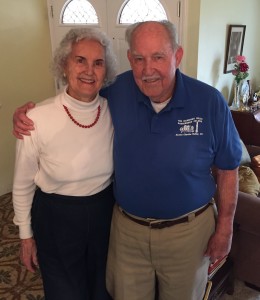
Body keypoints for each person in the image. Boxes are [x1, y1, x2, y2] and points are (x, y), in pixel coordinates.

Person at [13, 20, 242, 300]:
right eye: (138, 59)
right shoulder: (118, 91)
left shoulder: (209, 102)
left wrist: (225, 229)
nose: (147, 70)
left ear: (177, 56)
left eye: (158, 57)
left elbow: (229, 170)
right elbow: (80, 97)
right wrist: (27, 114)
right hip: (126, 233)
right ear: (130, 59)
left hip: (189, 234)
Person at [12, 27, 117, 300]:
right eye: (80, 60)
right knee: (64, 293)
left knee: (101, 288)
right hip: (56, 217)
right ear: (63, 64)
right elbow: (22, 184)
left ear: (106, 71)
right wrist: (25, 235)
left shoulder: (113, 110)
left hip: (104, 212)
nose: (89, 71)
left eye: (98, 63)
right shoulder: (36, 118)